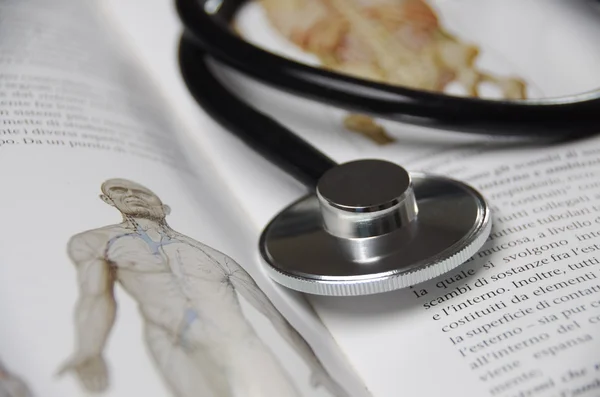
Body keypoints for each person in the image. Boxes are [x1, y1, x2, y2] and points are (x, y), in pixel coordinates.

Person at [58, 178, 346, 397]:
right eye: (120, 192)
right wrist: (89, 350)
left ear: (163, 206)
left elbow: (273, 316)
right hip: (170, 340)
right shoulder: (97, 242)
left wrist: (319, 369)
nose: (132, 195)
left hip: (236, 340)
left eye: (143, 193)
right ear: (108, 201)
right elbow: (95, 296)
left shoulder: (214, 256)